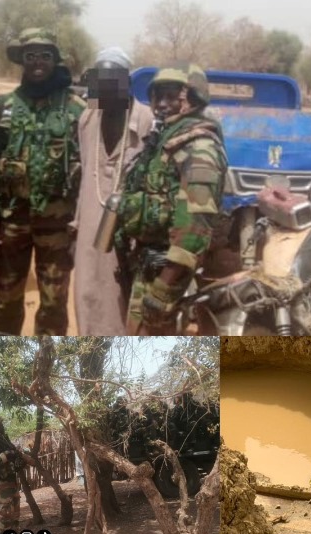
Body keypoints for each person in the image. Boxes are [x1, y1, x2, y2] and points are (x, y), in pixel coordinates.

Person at [0, 28, 86, 336]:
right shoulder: (3, 106)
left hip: (58, 221)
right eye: (30, 56)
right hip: (12, 219)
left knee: (54, 303)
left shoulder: (76, 108)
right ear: (22, 61)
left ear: (55, 60)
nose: (37, 62)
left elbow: (91, 164)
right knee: (6, 300)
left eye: (45, 55)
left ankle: (46, 365)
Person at [116, 63, 228, 335]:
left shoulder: (199, 147)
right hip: (147, 263)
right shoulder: (166, 138)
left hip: (167, 272)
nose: (162, 104)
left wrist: (164, 290)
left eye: (171, 96)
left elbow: (194, 228)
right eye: (158, 96)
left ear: (192, 98)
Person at [74, 47, 154, 335]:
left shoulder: (147, 121)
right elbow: (85, 175)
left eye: (113, 80)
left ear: (126, 83)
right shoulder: (87, 119)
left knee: (126, 299)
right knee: (87, 292)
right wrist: (77, 223)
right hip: (91, 226)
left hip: (131, 231)